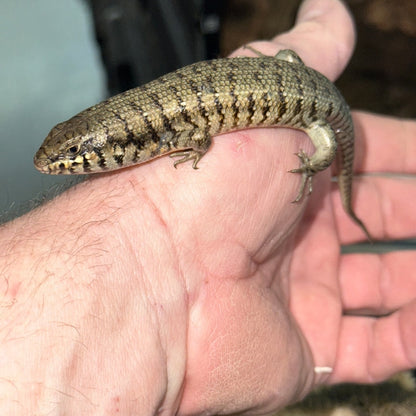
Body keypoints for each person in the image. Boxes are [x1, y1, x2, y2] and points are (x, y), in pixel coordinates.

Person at [1, 0, 415, 414]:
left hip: (312, 106)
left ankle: (331, 179)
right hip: (284, 74)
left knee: (322, 145)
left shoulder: (158, 133)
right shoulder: (141, 127)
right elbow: (204, 127)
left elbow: (199, 139)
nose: (56, 163)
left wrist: (313, 169)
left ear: (108, 144)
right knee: (290, 66)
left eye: (71, 153)